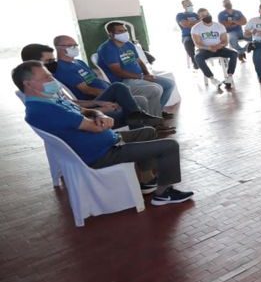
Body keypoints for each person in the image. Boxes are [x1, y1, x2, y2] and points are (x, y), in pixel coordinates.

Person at [14, 60, 193, 205]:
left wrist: (98, 112)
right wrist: (104, 121)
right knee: (170, 146)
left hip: (106, 142)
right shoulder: (45, 111)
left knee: (146, 131)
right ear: (28, 83)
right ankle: (163, 194)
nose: (52, 79)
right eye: (46, 77)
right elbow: (96, 127)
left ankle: (147, 182)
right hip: (103, 153)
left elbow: (83, 112)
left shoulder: (48, 101)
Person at [31, 41, 164, 131]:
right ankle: (142, 130)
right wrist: (100, 109)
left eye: (53, 60)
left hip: (93, 104)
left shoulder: (72, 66)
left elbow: (71, 103)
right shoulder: (41, 91)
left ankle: (144, 127)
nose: (53, 63)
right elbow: (73, 110)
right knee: (119, 87)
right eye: (48, 61)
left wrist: (100, 102)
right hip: (92, 116)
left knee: (134, 99)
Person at [96, 22, 175, 117]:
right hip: (124, 81)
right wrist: (142, 77)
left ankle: (155, 112)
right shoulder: (107, 49)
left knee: (169, 84)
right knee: (156, 89)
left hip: (139, 77)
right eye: (120, 31)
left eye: (125, 30)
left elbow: (139, 61)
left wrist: (147, 74)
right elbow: (118, 71)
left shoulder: (128, 44)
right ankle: (156, 120)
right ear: (111, 34)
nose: (124, 33)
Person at [190, 8, 237, 90]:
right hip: (205, 49)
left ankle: (229, 76)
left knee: (234, 53)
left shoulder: (219, 26)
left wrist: (220, 45)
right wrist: (209, 47)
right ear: (199, 17)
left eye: (207, 14)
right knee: (197, 57)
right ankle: (212, 78)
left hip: (220, 48)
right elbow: (197, 44)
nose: (206, 16)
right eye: (203, 15)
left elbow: (225, 41)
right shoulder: (196, 28)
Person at [176, 0, 199, 69]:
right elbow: (184, 24)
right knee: (187, 42)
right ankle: (195, 62)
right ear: (183, 6)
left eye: (191, 4)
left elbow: (203, 23)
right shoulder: (180, 15)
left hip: (199, 34)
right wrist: (196, 22)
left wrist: (190, 23)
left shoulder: (196, 15)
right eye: (188, 5)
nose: (190, 6)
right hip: (187, 35)